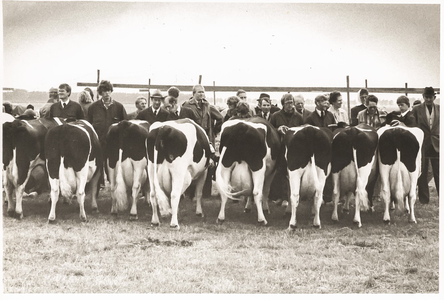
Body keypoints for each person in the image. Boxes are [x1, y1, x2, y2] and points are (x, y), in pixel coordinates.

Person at [182, 84, 223, 197]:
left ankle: (206, 193)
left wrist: (214, 132)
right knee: (192, 164)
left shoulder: (208, 105)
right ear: (193, 94)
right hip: (193, 139)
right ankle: (190, 193)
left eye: (203, 92)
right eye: (199, 92)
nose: (201, 94)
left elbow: (220, 118)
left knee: (208, 164)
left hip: (207, 139)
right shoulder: (187, 106)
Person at [87, 80, 127, 187]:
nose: (107, 93)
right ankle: (98, 187)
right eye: (104, 91)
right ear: (100, 93)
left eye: (109, 91)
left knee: (114, 167)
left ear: (111, 91)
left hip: (114, 144)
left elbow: (125, 125)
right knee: (97, 167)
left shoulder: (119, 107)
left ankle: (115, 187)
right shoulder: (93, 107)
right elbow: (88, 125)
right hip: (98, 143)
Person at [269, 93, 304, 206]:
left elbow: (303, 130)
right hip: (280, 147)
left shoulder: (298, 116)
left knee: (293, 173)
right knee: (280, 172)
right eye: (287, 103)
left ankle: (292, 196)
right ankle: (281, 196)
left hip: (295, 149)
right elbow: (270, 130)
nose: (290, 105)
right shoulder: (275, 116)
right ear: (283, 104)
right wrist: (278, 129)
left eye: (291, 102)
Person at [412, 87, 439, 204]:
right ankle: (424, 199)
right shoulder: (416, 109)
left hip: (437, 144)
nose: (428, 99)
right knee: (422, 172)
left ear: (434, 97)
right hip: (422, 144)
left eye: (430, 97)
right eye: (426, 97)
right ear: (423, 97)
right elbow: (412, 124)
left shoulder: (440, 109)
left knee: (439, 172)